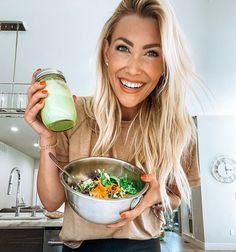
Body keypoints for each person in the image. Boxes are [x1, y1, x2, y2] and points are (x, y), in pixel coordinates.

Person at [24, 0, 200, 251]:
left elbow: (174, 196)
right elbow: (52, 203)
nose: (133, 68)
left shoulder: (178, 128)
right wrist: (47, 138)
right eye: (123, 48)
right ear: (106, 52)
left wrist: (158, 195)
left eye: (152, 53)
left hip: (144, 246)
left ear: (166, 64)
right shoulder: (74, 114)